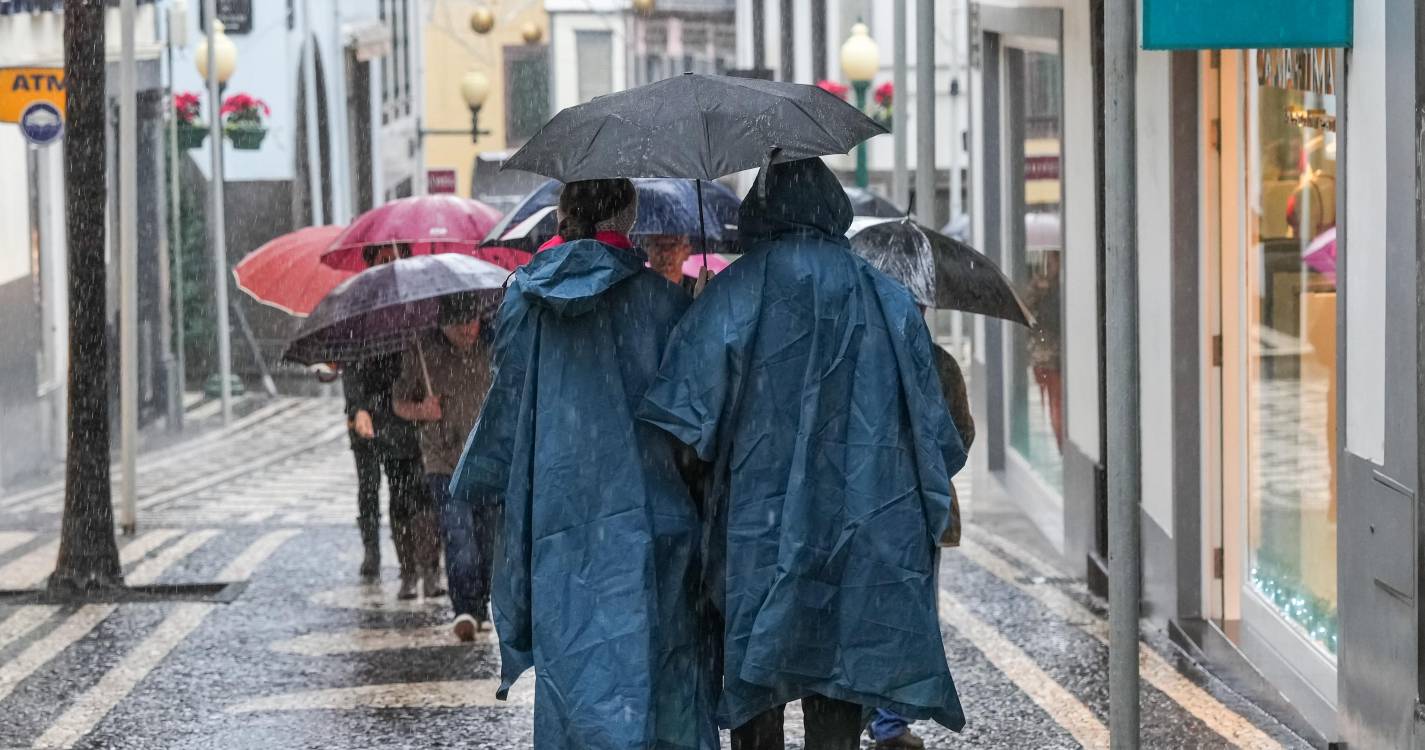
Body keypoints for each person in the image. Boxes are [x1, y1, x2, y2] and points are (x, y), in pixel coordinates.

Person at [639, 157, 968, 749]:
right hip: (858, 532)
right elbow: (936, 434)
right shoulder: (887, 301)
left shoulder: (732, 297)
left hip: (753, 537)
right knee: (838, 677)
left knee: (755, 683)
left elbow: (684, 429)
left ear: (760, 211)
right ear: (831, 206)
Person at [449, 178, 715, 749]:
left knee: (573, 665)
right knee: (660, 665)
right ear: (628, 216)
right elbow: (693, 416)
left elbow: (507, 405)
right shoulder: (661, 302)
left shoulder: (525, 299)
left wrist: (486, 480)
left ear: (565, 214)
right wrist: (699, 316)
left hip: (559, 516)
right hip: (656, 517)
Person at [393, 292, 496, 641]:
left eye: (473, 321)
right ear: (443, 325)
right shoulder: (424, 352)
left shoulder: (493, 347)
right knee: (459, 537)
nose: (468, 330)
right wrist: (422, 410)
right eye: (459, 324)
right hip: (444, 462)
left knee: (488, 541)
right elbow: (398, 402)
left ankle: (481, 604)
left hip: (488, 460)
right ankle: (465, 608)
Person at [344, 242, 443, 600]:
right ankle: (406, 570)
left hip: (420, 410)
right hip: (382, 415)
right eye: (384, 259)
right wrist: (359, 407)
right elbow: (353, 364)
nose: (392, 265)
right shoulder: (362, 308)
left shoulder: (420, 299)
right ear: (371, 263)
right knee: (395, 490)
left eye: (397, 257)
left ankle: (431, 569)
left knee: (425, 492)